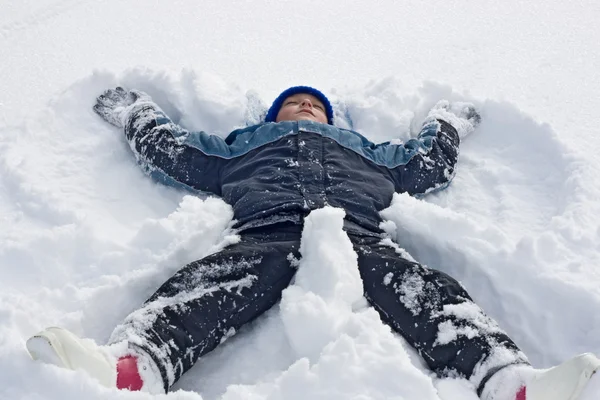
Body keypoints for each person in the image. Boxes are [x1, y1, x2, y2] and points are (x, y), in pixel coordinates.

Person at [26, 86, 600, 400]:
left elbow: (428, 164)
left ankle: (511, 381)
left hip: (360, 232)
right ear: (272, 116)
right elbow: (173, 150)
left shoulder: (372, 153)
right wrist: (136, 113)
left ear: (334, 118)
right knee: (211, 284)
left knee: (422, 289)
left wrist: (446, 121)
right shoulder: (240, 146)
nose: (305, 109)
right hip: (266, 228)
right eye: (293, 104)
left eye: (315, 105)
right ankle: (130, 367)